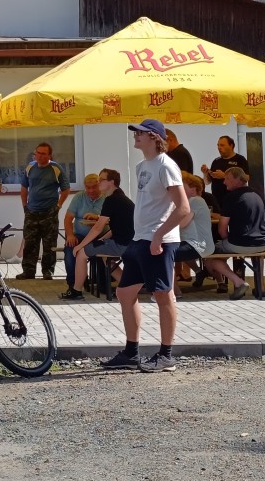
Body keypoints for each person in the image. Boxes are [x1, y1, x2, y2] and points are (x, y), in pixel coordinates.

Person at [102, 119, 190, 374]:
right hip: (140, 239)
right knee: (124, 293)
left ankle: (166, 355)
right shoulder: (142, 166)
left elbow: (183, 208)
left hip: (158, 241)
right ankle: (131, 353)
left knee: (163, 295)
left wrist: (158, 236)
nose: (135, 136)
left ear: (153, 137)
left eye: (139, 133)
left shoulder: (166, 165)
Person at [62, 169, 131, 300]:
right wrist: (103, 238)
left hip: (121, 244)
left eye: (101, 180)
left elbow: (98, 228)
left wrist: (80, 246)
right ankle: (128, 286)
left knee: (81, 253)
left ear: (111, 182)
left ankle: (76, 291)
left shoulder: (111, 199)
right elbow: (118, 226)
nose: (99, 183)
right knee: (105, 258)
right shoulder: (119, 196)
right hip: (127, 242)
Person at [204, 167, 265, 300]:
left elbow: (222, 229)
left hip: (240, 243)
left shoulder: (232, 197)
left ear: (238, 179)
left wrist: (227, 241)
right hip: (264, 243)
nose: (224, 182)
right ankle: (261, 287)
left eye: (227, 179)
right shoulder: (258, 194)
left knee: (210, 258)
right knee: (257, 254)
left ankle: (238, 282)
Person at [16, 143, 71, 280]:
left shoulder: (56, 168)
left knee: (49, 244)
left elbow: (66, 189)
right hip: (31, 212)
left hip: (49, 212)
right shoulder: (30, 167)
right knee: (30, 243)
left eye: (43, 153)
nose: (39, 156)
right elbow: (24, 187)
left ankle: (48, 271)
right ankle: (28, 271)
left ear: (50, 155)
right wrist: (25, 206)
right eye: (38, 153)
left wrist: (58, 206)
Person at [60, 173, 105, 291]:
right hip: (80, 235)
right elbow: (68, 218)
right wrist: (70, 235)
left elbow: (112, 218)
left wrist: (97, 217)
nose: (90, 190)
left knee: (102, 249)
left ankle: (102, 282)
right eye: (88, 187)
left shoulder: (106, 197)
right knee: (70, 248)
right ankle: (73, 284)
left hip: (101, 236)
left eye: (94, 187)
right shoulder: (79, 197)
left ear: (99, 185)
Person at [175, 173, 215, 291]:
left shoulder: (195, 200)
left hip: (199, 245)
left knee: (165, 253)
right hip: (193, 243)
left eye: (182, 187)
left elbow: (182, 223)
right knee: (168, 249)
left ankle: (173, 291)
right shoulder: (191, 201)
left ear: (193, 190)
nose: (178, 189)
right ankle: (199, 272)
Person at [200, 135, 249, 210]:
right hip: (217, 201)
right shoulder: (216, 161)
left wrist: (224, 176)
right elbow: (207, 182)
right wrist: (205, 173)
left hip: (234, 199)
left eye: (222, 145)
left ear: (231, 145)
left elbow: (246, 178)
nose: (219, 147)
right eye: (218, 145)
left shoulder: (240, 159)